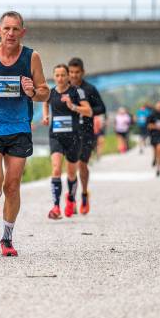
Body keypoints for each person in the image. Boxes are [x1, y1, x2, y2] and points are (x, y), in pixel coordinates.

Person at [0, 11, 49, 256]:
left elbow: (45, 92)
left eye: (16, 29)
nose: (11, 33)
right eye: (7, 29)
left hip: (19, 128)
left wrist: (32, 92)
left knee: (12, 185)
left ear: (22, 32)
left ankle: (7, 238)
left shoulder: (31, 57)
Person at [42, 64, 92, 219]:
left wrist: (72, 106)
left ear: (68, 76)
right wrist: (46, 116)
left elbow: (88, 111)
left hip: (74, 137)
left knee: (71, 173)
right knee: (56, 169)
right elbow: (45, 102)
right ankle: (56, 207)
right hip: (56, 136)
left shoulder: (77, 92)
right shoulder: (51, 92)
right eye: (57, 75)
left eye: (63, 75)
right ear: (54, 76)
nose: (60, 78)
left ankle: (71, 198)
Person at [67, 58, 106, 215]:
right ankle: (72, 200)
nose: (74, 75)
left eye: (77, 72)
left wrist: (85, 111)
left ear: (82, 72)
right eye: (71, 72)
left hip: (86, 132)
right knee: (71, 166)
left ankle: (84, 193)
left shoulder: (90, 89)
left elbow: (101, 108)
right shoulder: (65, 88)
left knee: (82, 165)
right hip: (69, 132)